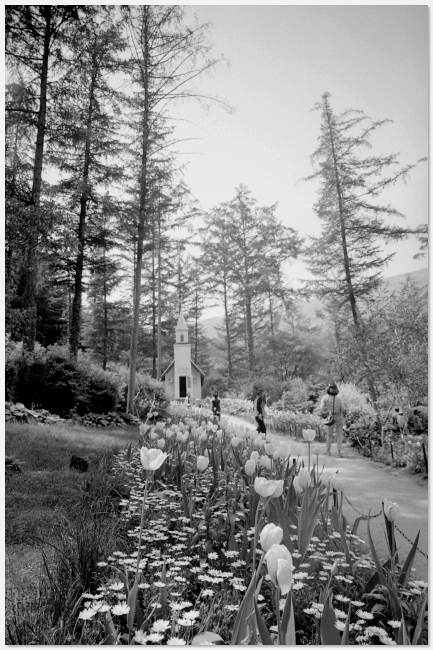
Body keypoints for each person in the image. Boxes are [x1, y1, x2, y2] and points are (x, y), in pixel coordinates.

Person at [320, 381, 346, 458]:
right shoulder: (339, 398)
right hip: (339, 417)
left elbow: (322, 408)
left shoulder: (325, 398)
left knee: (329, 435)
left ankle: (328, 451)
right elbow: (343, 409)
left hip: (331, 417)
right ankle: (339, 453)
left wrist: (327, 411)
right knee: (339, 435)